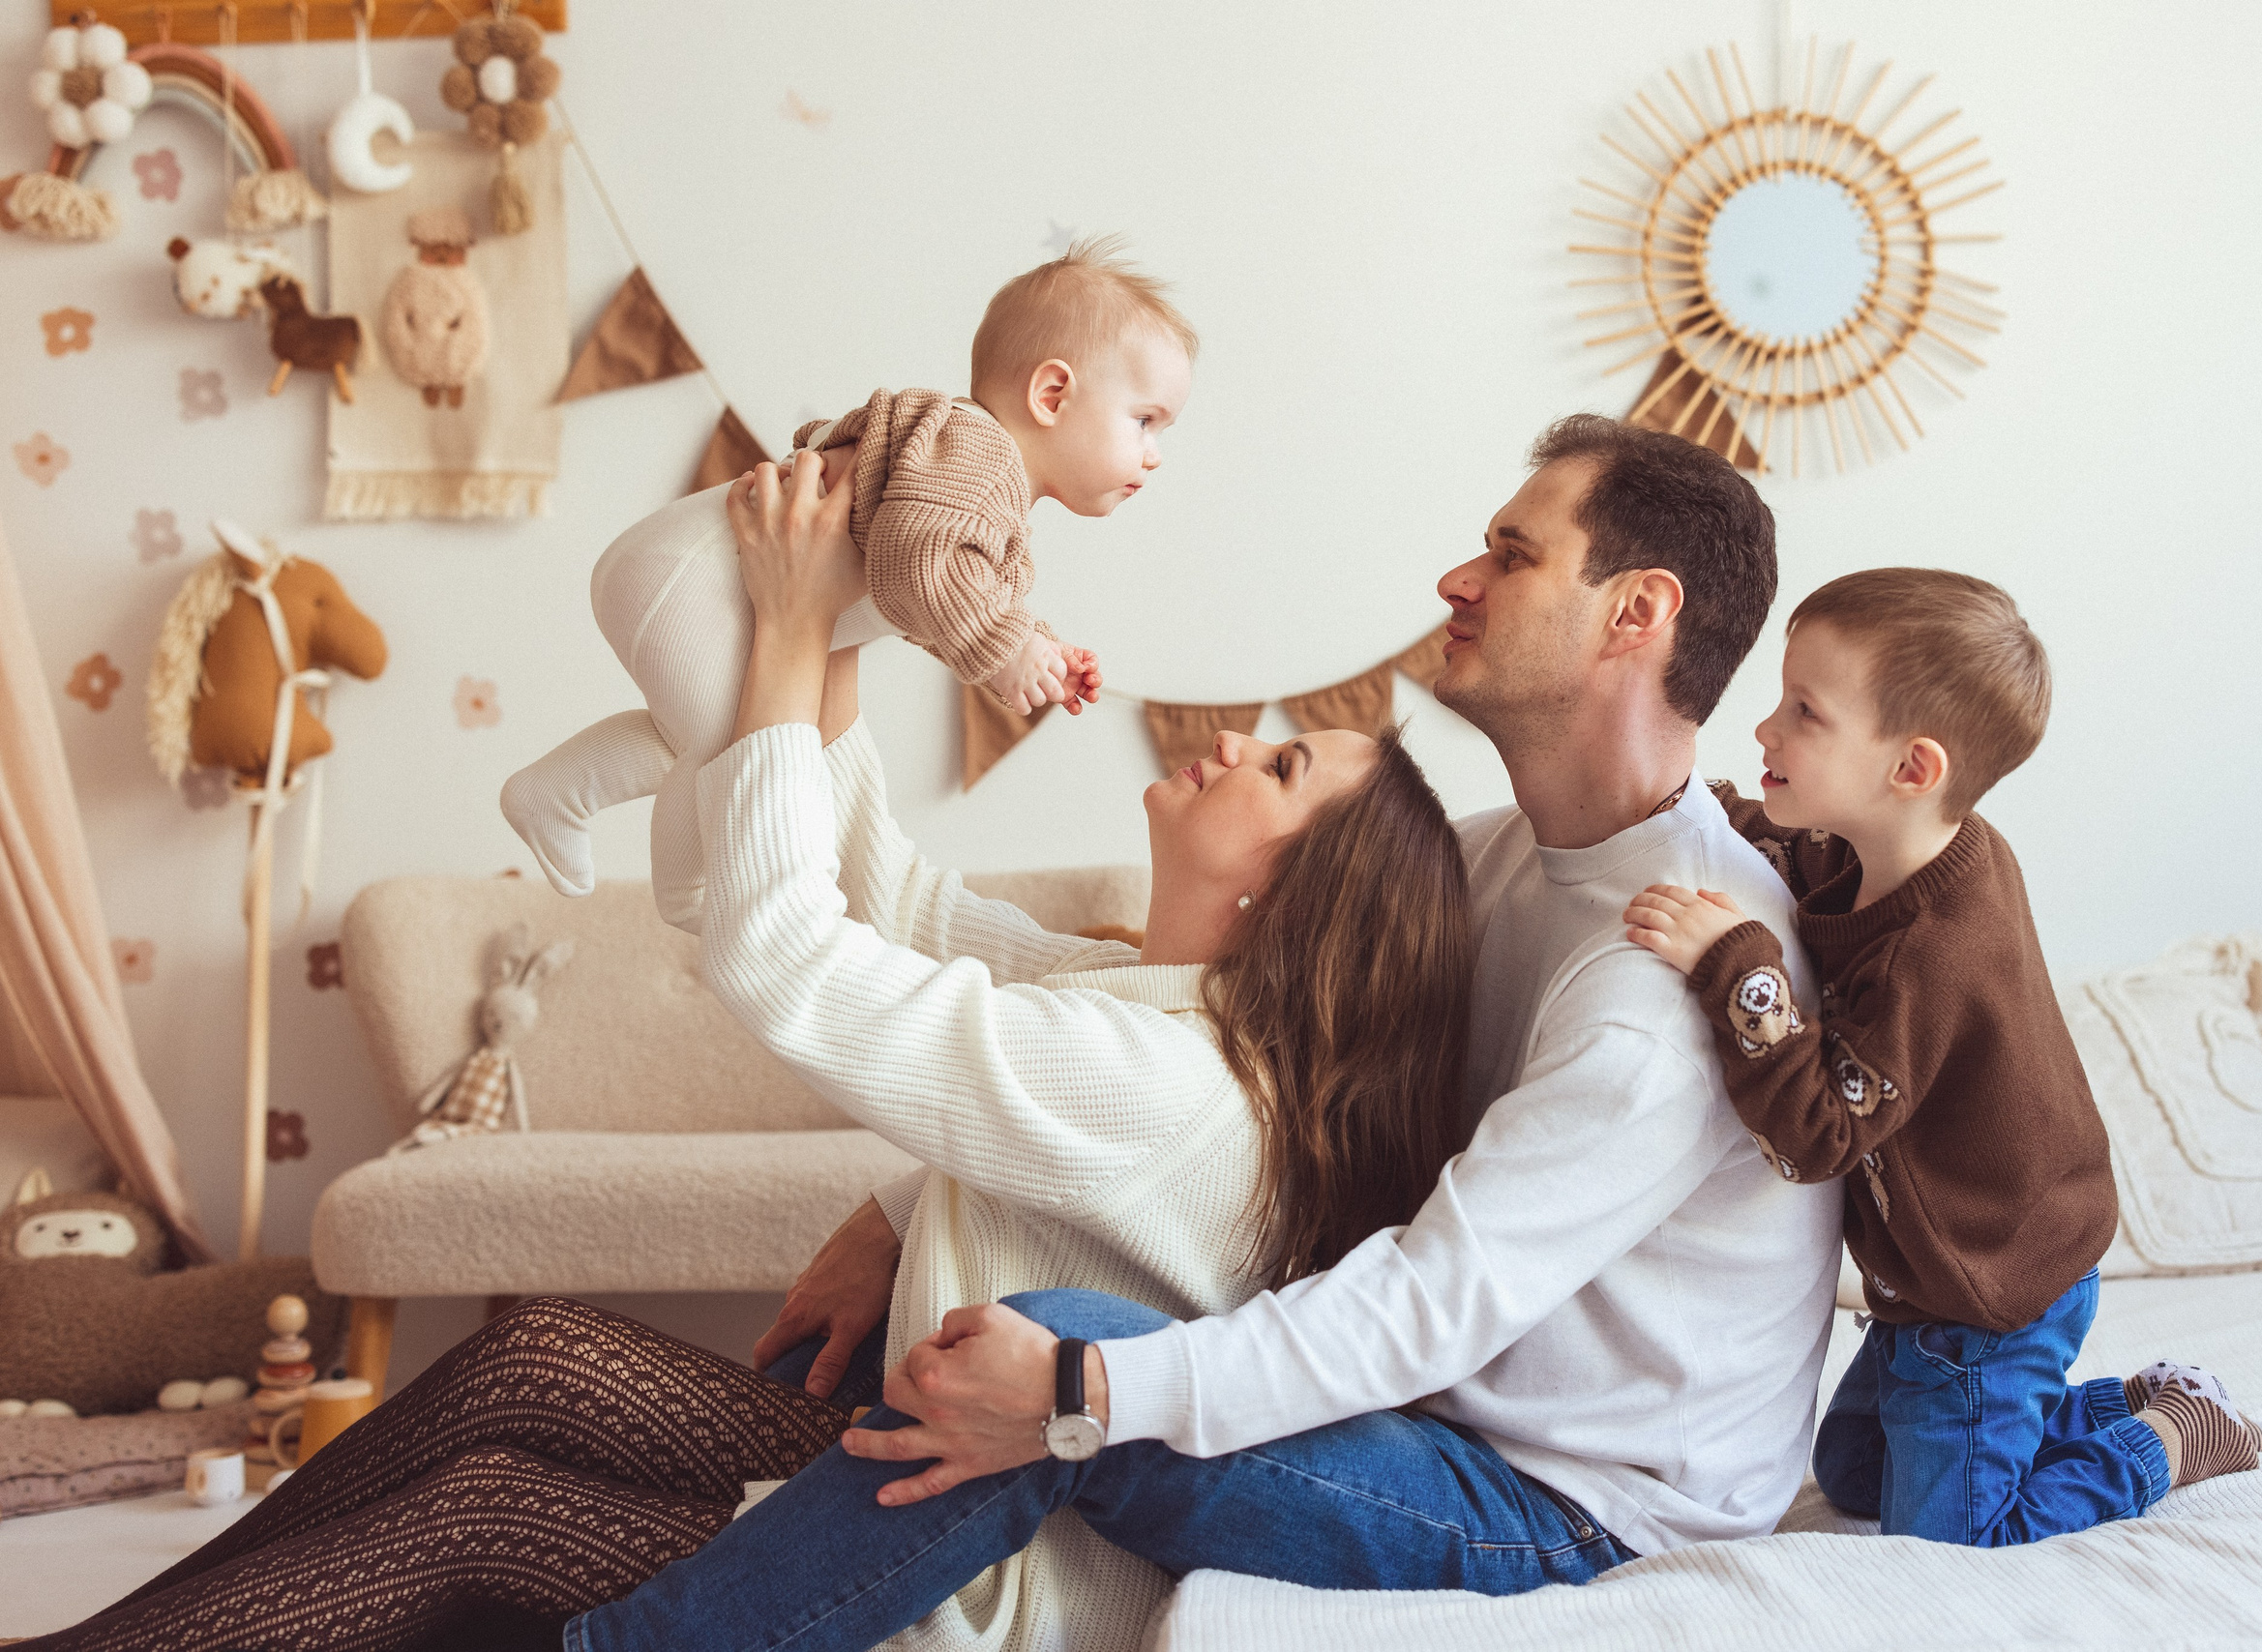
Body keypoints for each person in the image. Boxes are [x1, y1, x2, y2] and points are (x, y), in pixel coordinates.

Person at [20, 446, 1472, 1652]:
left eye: (1283, 769)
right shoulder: (1137, 999)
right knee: (527, 1370)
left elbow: (794, 961)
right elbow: (896, 902)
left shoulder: (1166, 1077)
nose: (1234, 745)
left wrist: (783, 633)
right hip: (890, 1467)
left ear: (1297, 898)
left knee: (490, 1510)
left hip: (951, 1596)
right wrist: (835, 638)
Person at [564, 414, 1847, 1650]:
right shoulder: (1501, 864)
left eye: (1513, 555)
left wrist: (1085, 1395)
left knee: (1065, 1349)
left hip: (1566, 1512)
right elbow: (1145, 1002)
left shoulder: (1662, 978)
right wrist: (907, 1212)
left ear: (1638, 613)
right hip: (1437, 1418)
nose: (1458, 577)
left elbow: (1433, 1302)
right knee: (932, 1348)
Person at [1620, 567, 2262, 1547]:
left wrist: (1737, 969)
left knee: (1949, 1537)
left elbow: (1823, 1134)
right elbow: (1799, 859)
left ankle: (2173, 1433)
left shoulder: (1936, 950)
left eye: (1804, 712)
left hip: (1988, 1289)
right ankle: (2109, 1400)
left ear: (1911, 769)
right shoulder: (1885, 843)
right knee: (1849, 1473)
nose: (1764, 730)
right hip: (1927, 1280)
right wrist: (1698, 815)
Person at [500, 235, 1195, 931]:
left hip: (679, 584)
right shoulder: (979, 453)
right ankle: (688, 901)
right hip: (683, 584)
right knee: (732, 748)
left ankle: (553, 793)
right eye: (1145, 421)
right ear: (1051, 394)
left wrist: (1036, 645)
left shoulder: (985, 488)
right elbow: (917, 566)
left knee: (694, 733)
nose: (1155, 456)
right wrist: (1006, 648)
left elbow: (944, 591)